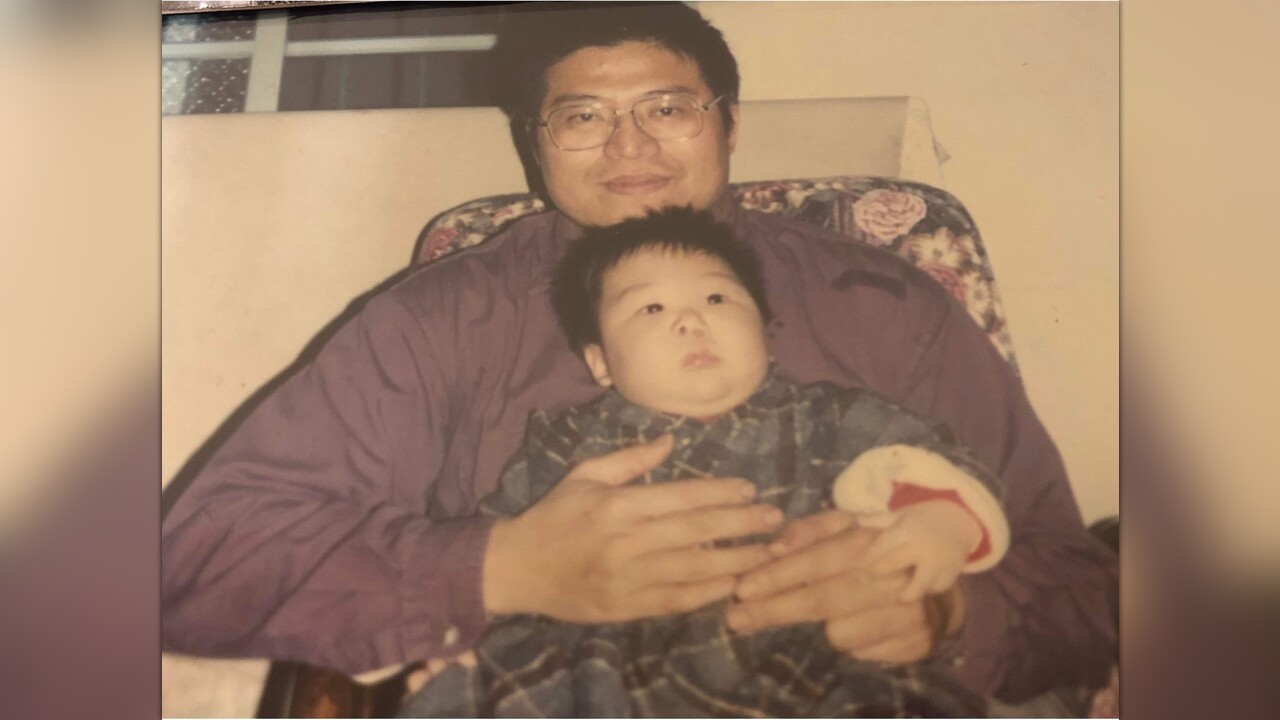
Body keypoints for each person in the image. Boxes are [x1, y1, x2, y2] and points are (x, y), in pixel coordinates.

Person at [161, 2, 1117, 706]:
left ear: (730, 124)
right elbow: (200, 558)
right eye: (582, 117)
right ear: (536, 146)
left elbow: (1081, 586)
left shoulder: (884, 304)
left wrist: (948, 615)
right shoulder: (442, 320)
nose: (629, 146)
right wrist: (503, 567)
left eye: (667, 108)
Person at [398, 206, 1007, 717]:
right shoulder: (564, 443)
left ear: (764, 330)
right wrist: (461, 634)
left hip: (799, 653)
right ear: (601, 362)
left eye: (717, 297)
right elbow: (497, 549)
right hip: (606, 665)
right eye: (650, 309)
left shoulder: (830, 417)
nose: (691, 320)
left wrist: (938, 524)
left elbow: (927, 461)